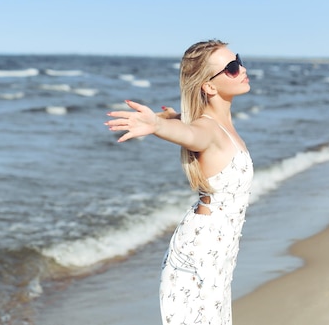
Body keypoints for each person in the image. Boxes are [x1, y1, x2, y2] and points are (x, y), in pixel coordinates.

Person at [105, 39, 253, 325]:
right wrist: (158, 125)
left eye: (239, 60)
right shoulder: (208, 130)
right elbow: (191, 135)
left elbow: (188, 126)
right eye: (232, 68)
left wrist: (173, 116)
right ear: (209, 86)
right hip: (200, 251)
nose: (242, 69)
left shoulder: (216, 124)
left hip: (218, 250)